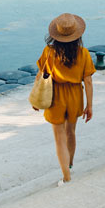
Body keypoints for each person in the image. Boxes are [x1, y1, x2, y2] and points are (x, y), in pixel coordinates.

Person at [37, 12, 95, 186]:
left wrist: (36, 99)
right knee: (71, 133)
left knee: (59, 138)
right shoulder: (83, 53)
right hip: (75, 94)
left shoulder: (49, 52)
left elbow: (40, 75)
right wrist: (89, 105)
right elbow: (88, 81)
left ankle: (66, 176)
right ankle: (70, 165)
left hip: (55, 95)